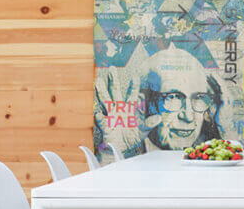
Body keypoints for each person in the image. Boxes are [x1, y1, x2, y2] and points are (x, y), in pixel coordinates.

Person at [95, 46, 227, 155]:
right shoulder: (129, 153)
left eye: (199, 98)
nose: (188, 117)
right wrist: (112, 153)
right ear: (143, 105)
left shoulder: (208, 152)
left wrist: (228, 131)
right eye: (173, 97)